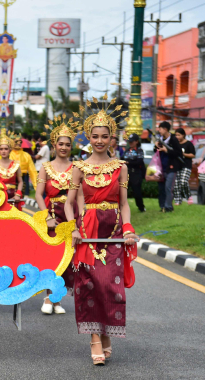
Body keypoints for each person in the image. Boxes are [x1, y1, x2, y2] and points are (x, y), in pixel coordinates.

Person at [65, 98, 138, 366]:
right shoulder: (78, 168)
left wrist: (128, 229)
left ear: (111, 138)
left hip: (113, 231)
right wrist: (73, 228)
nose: (99, 140)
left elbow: (124, 204)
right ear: (88, 137)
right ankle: (95, 339)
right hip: (87, 231)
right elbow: (68, 202)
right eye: (94, 136)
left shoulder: (121, 168)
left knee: (109, 285)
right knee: (89, 285)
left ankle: (106, 332)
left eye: (104, 136)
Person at [36, 116, 81, 315]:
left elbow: (80, 196)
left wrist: (83, 217)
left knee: (69, 257)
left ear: (71, 146)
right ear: (54, 145)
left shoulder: (77, 168)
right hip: (52, 214)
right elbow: (38, 194)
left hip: (71, 214)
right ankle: (48, 296)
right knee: (51, 257)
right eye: (60, 144)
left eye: (67, 144)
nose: (64, 147)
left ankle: (56, 299)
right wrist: (46, 217)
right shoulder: (45, 168)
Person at [0, 129, 23, 210]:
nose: (3, 151)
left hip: (13, 197)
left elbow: (21, 181)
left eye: (6, 149)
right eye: (1, 149)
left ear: (10, 150)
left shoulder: (16, 164)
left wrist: (18, 194)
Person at [155, 121, 183, 212]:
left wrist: (166, 150)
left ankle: (168, 207)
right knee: (161, 188)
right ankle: (162, 206)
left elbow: (178, 153)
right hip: (161, 167)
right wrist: (156, 146)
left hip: (171, 167)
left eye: (160, 129)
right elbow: (156, 151)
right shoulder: (160, 139)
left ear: (165, 129)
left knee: (168, 187)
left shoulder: (173, 139)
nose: (159, 131)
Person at [122, 134, 146, 212]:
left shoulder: (139, 151)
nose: (130, 143)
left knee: (137, 192)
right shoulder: (127, 150)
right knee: (123, 191)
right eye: (130, 142)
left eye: (132, 142)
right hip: (126, 173)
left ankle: (141, 207)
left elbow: (139, 161)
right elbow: (122, 159)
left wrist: (129, 162)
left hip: (136, 173)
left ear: (136, 142)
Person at [173, 128, 195, 206]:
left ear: (183, 135)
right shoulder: (176, 144)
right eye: (176, 135)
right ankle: (178, 201)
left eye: (179, 135)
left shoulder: (188, 144)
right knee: (176, 184)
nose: (177, 137)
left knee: (183, 182)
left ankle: (188, 196)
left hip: (186, 166)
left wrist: (183, 154)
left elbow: (193, 154)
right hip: (177, 166)